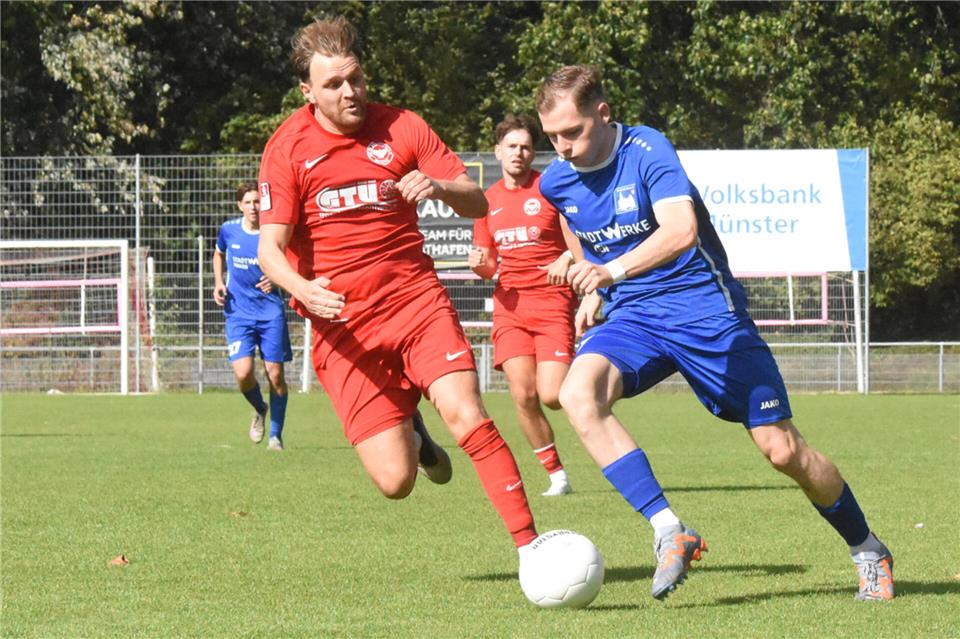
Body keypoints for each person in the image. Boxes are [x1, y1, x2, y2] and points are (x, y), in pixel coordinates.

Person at [535, 65, 894, 602]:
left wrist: (609, 272)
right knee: (576, 394)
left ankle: (868, 549)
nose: (562, 148)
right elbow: (572, 219)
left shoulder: (647, 149)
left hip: (706, 312)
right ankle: (668, 529)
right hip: (635, 316)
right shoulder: (556, 178)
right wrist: (592, 284)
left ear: (603, 114)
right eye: (552, 137)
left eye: (572, 132)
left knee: (781, 450)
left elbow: (681, 231)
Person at [256, 16, 539, 559]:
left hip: (415, 302)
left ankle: (532, 547)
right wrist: (303, 289)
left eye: (356, 79)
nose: (349, 92)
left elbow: (478, 202)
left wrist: (438, 186)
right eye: (334, 85)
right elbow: (271, 248)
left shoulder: (403, 127)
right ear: (307, 92)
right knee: (395, 481)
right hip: (343, 327)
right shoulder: (287, 149)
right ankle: (414, 431)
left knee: (467, 411)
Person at [468, 115, 581, 497]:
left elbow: (579, 239)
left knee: (552, 395)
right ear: (498, 151)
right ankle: (557, 475)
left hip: (552, 302)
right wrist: (479, 263)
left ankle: (595, 396)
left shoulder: (549, 188)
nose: (520, 152)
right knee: (523, 395)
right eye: (512, 146)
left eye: (527, 147)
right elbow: (487, 264)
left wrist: (568, 259)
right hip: (511, 308)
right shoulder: (487, 201)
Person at [213, 182, 292, 451]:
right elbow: (218, 253)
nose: (253, 207)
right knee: (244, 373)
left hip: (270, 313)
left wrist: (277, 279)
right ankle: (260, 408)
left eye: (257, 201)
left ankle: (275, 436)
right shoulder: (229, 230)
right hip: (238, 313)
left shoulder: (274, 234)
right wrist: (218, 282)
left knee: (276, 376)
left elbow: (293, 260)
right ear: (240, 206)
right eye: (248, 202)